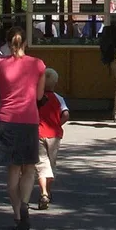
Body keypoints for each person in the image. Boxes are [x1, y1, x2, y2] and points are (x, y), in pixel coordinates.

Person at [0, 26, 46, 230]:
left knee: (12, 170)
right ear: (26, 43)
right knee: (29, 168)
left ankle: (17, 214)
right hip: (29, 119)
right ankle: (26, 203)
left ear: (7, 42)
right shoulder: (38, 65)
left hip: (6, 119)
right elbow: (39, 97)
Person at [36, 68, 70, 210]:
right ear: (55, 83)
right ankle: (48, 191)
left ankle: (43, 192)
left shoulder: (36, 97)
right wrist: (58, 124)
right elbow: (66, 114)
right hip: (54, 134)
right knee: (51, 163)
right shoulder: (59, 98)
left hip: (38, 133)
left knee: (41, 163)